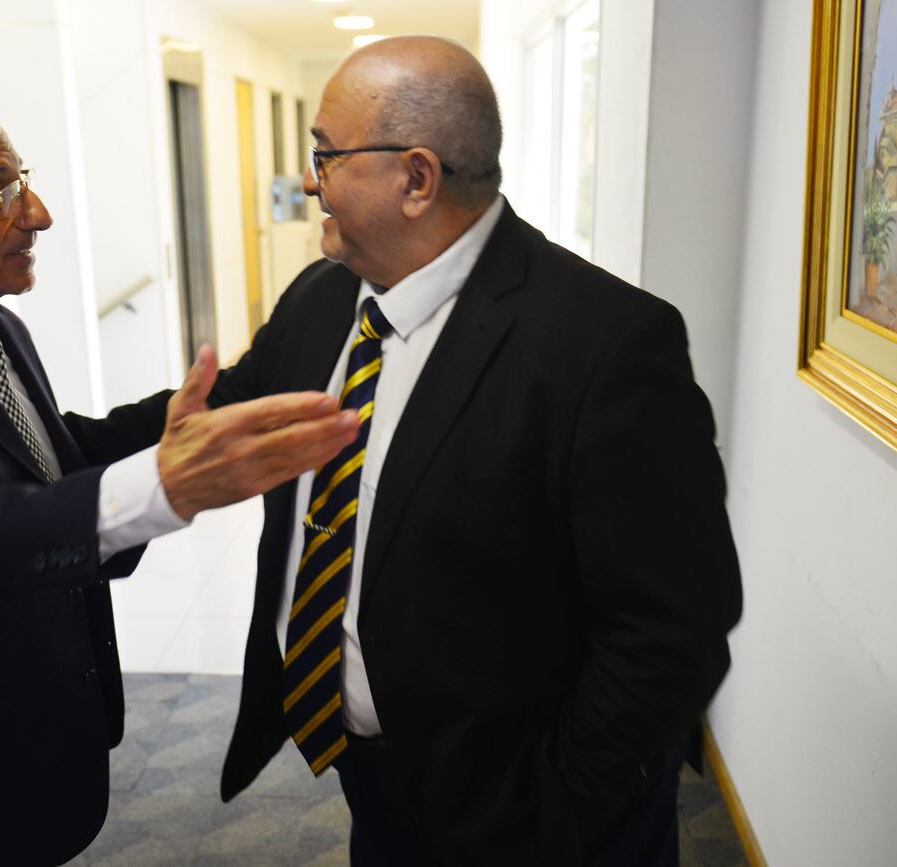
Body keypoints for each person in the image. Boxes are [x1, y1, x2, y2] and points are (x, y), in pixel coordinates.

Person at [0, 83, 358, 866]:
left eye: (25, 177)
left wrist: (197, 414)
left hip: (37, 722)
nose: (39, 213)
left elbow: (46, 457)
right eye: (2, 193)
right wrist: (163, 488)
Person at [210, 36, 743, 865]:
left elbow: (672, 628)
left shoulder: (605, 345)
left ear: (416, 178)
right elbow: (222, 414)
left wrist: (551, 810)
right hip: (378, 782)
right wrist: (25, 448)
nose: (310, 177)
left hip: (534, 816)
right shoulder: (326, 296)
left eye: (327, 153)